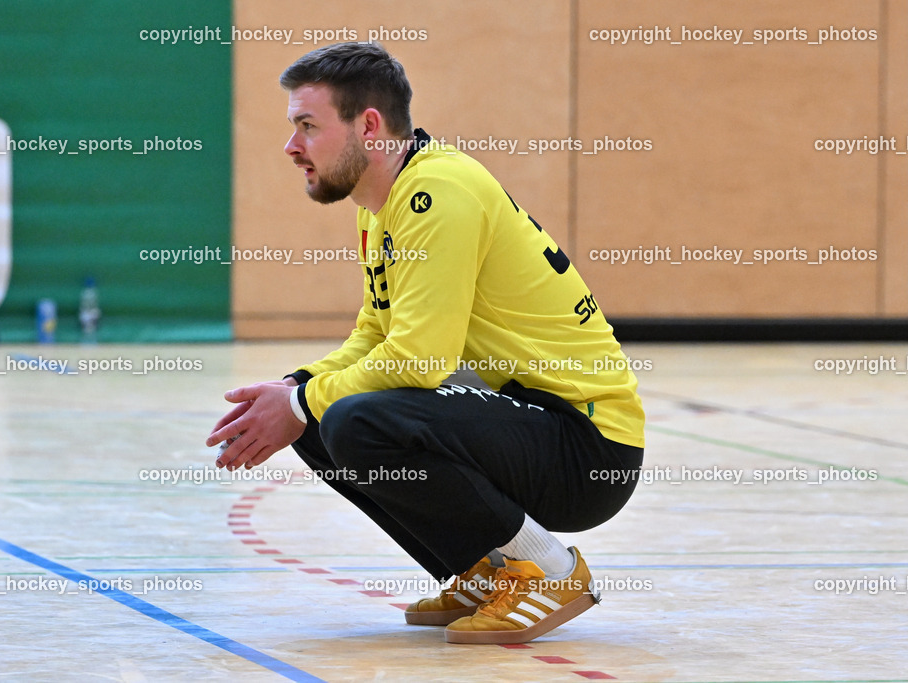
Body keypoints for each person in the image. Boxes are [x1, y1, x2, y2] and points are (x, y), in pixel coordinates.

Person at [207, 41, 645, 645]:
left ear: (368, 126)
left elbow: (420, 359)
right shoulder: (384, 200)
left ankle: (548, 571)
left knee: (358, 417)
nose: (292, 146)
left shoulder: (436, 192)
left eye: (307, 126)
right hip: (533, 424)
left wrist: (304, 400)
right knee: (315, 410)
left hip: (587, 448)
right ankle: (488, 573)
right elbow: (378, 334)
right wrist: (293, 393)